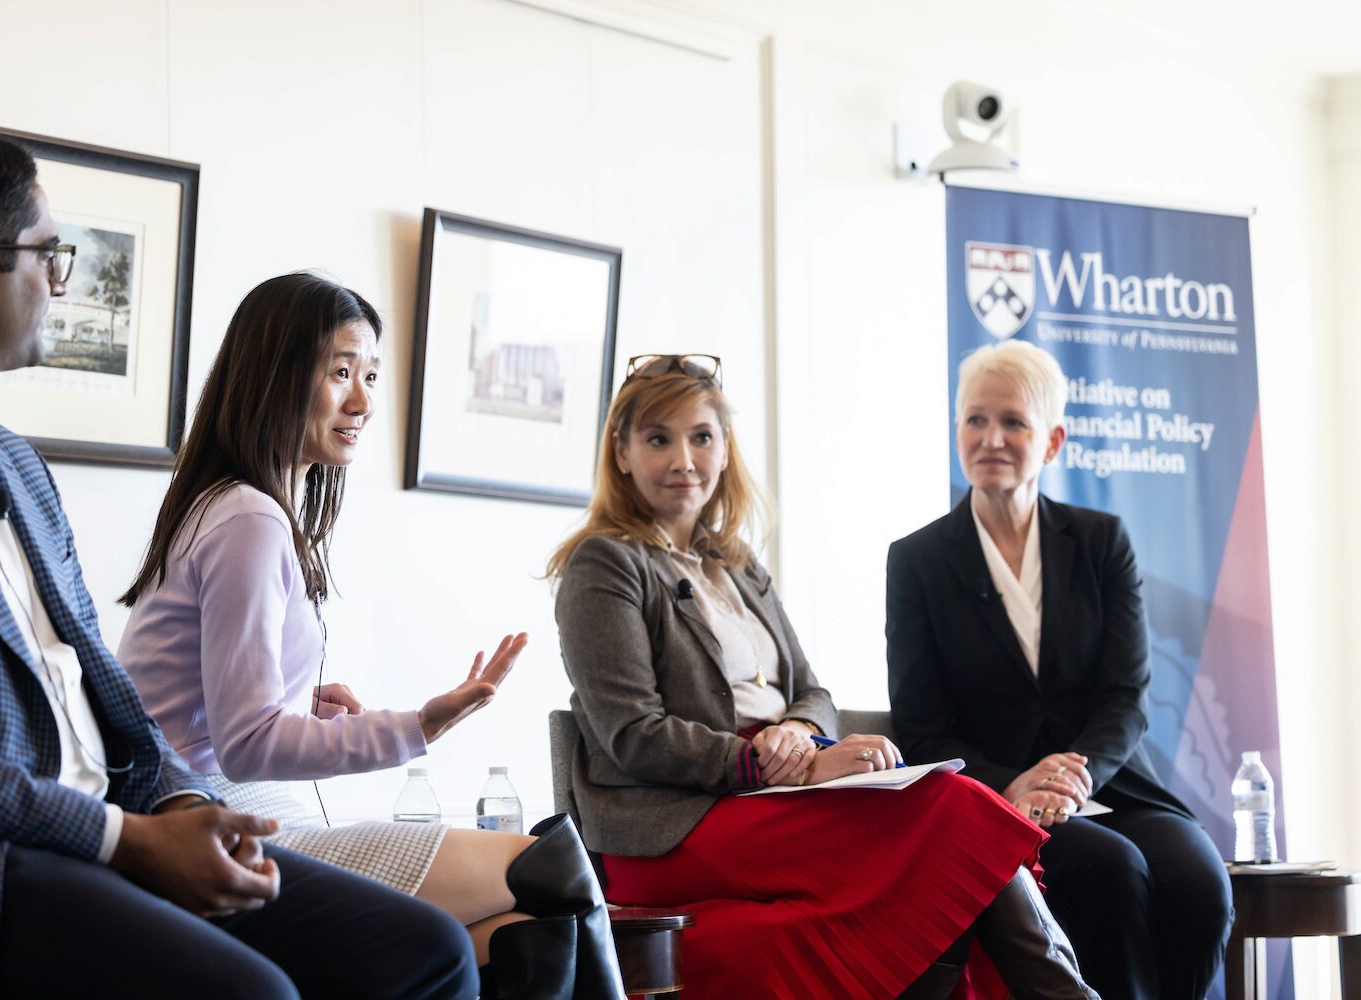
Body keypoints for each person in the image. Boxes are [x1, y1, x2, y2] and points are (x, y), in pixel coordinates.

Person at [0, 128, 477, 999]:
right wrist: (125, 838)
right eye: (49, 256)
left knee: (427, 951)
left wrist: (182, 803)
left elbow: (104, 690)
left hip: (114, 822)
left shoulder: (12, 465)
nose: (61, 284)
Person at [116, 271, 624, 1000]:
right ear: (275, 376)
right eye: (341, 372)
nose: (363, 401)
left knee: (519, 930)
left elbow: (206, 704)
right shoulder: (249, 519)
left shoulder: (231, 506)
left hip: (228, 804)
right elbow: (247, 743)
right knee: (552, 872)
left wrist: (300, 702)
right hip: (219, 819)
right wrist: (421, 725)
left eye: (372, 376)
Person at [548, 353, 1100, 1000]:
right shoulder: (604, 564)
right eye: (657, 439)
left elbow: (812, 691)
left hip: (772, 789)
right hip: (674, 820)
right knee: (959, 811)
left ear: (725, 450)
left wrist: (801, 732)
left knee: (954, 815)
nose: (683, 460)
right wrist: (784, 763)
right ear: (621, 452)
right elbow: (633, 734)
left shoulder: (737, 565)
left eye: (701, 437)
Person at [885, 338, 1233, 1000]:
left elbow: (1126, 694)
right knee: (1113, 871)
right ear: (957, 432)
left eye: (1013, 421)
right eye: (975, 419)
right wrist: (1017, 784)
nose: (991, 438)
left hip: (1110, 784)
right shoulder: (917, 561)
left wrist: (1072, 776)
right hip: (997, 799)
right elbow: (922, 726)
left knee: (1200, 882)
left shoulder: (1102, 542)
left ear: (1052, 441)